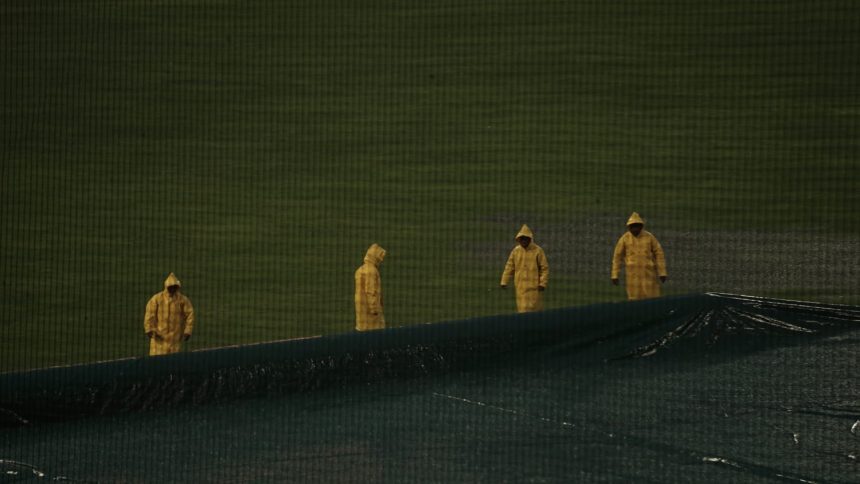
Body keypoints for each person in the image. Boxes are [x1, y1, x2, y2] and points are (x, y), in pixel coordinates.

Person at [611, 212, 667, 300]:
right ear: (629, 227)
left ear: (641, 226)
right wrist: (614, 275)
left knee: (652, 298)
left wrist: (662, 272)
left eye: (637, 226)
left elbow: (659, 254)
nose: (635, 229)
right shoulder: (624, 239)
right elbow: (617, 257)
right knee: (634, 299)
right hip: (632, 276)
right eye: (632, 227)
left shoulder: (649, 237)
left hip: (648, 274)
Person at [500, 224, 549, 313]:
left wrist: (542, 283)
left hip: (534, 288)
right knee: (523, 311)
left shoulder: (538, 251)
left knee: (535, 310)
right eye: (521, 239)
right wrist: (504, 281)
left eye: (525, 239)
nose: (523, 241)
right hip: (521, 288)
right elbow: (509, 267)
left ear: (529, 239)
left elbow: (544, 268)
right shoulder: (516, 251)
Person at [144, 272, 196, 356]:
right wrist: (149, 329)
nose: (172, 289)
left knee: (173, 364)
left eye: (174, 287)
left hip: (174, 340)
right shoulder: (157, 299)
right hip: (159, 340)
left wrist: (188, 331)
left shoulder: (182, 300)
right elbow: (149, 315)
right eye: (171, 287)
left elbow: (190, 315)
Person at [355, 243, 386, 331]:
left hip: (361, 311)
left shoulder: (361, 269)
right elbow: (371, 291)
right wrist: (374, 309)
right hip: (370, 317)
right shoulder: (371, 271)